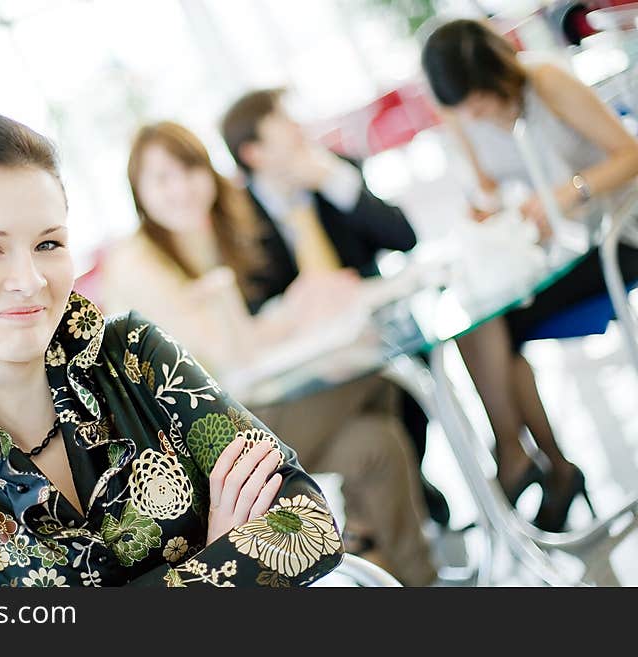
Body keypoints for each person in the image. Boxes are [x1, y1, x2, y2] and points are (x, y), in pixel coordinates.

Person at [0, 109, 346, 587]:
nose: (29, 281)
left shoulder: (135, 354)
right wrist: (217, 561)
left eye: (48, 244)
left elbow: (308, 525)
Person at [100, 121, 438, 586]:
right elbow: (219, 356)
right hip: (201, 444)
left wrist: (290, 311)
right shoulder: (138, 263)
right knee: (377, 375)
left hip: (250, 407)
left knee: (376, 444)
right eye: (162, 179)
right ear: (138, 192)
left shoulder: (213, 230)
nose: (181, 188)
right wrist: (295, 311)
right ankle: (364, 537)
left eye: (190, 169)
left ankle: (416, 579)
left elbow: (244, 341)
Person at [421, 18, 638, 531]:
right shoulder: (461, 116)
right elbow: (488, 190)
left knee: (492, 330)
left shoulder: (545, 81)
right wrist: (485, 215)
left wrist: (570, 191)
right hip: (561, 250)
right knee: (479, 325)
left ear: (496, 73)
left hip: (618, 233)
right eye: (463, 107)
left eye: (478, 100)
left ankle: (529, 463)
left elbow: (631, 154)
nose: (475, 114)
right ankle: (538, 460)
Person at [220, 89, 450, 525]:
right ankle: (391, 505)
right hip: (308, 356)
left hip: (374, 333)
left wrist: (333, 183)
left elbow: (403, 237)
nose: (299, 133)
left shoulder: (331, 170)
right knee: (372, 426)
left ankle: (397, 499)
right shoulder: (236, 216)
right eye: (284, 129)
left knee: (406, 389)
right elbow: (251, 303)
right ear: (254, 153)